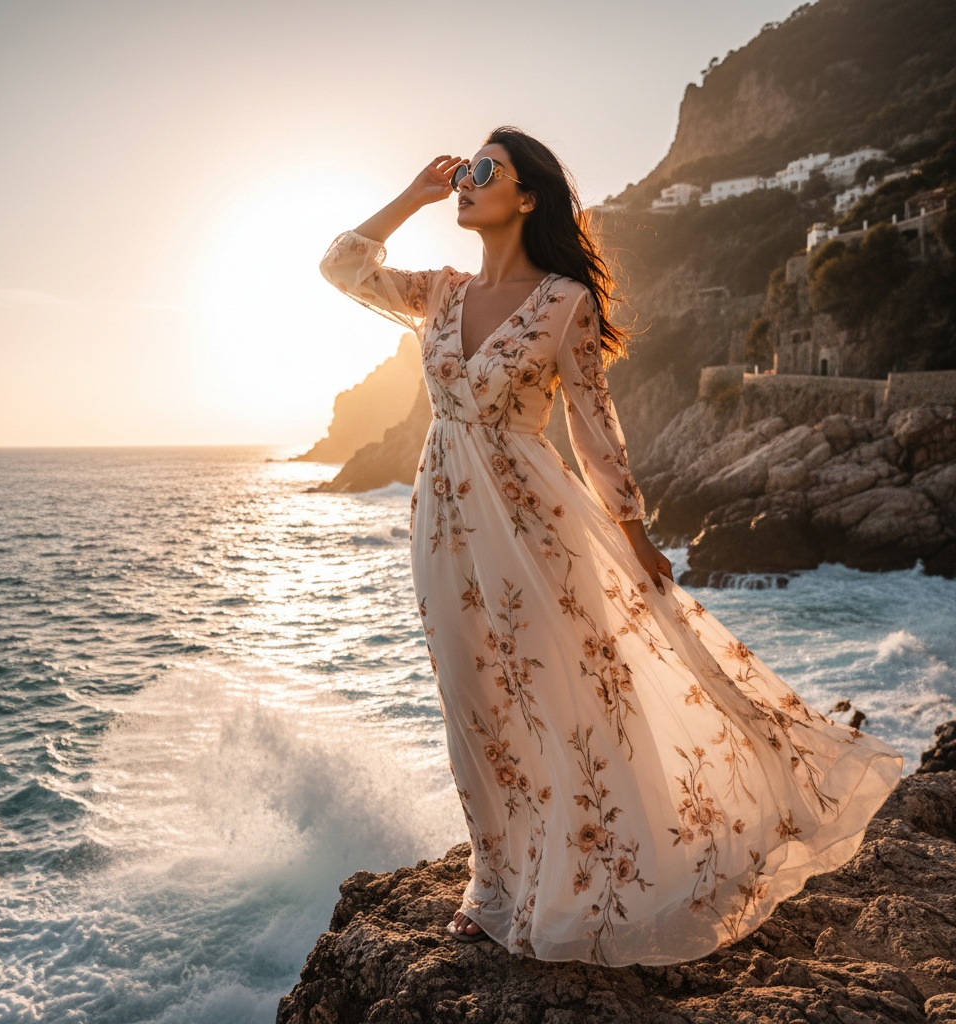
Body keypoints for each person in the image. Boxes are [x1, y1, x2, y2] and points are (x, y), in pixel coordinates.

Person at [319, 126, 903, 967]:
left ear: (527, 197)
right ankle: (494, 882)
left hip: (535, 522)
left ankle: (580, 873)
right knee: (471, 698)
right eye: (466, 169)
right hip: (444, 521)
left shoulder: (565, 301)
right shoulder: (438, 292)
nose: (467, 181)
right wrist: (415, 193)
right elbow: (341, 265)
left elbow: (597, 429)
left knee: (558, 694)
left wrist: (635, 537)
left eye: (485, 170)